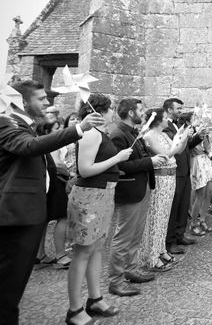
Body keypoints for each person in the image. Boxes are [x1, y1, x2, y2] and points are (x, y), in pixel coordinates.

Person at [0, 80, 103, 325]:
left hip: (31, 212)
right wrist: (78, 130)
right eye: (41, 98)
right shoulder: (6, 123)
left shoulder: (27, 124)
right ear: (22, 101)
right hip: (16, 215)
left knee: (15, 282)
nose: (48, 103)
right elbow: (28, 147)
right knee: (8, 284)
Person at [65, 93, 133, 325]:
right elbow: (85, 170)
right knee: (82, 252)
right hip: (89, 197)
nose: (114, 112)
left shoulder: (100, 133)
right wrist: (118, 159)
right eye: (111, 108)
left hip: (103, 195)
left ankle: (95, 298)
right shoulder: (91, 134)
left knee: (96, 249)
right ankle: (74, 310)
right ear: (100, 111)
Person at [108, 99, 167, 297]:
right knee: (123, 236)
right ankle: (115, 280)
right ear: (131, 113)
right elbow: (119, 166)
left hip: (142, 188)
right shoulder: (118, 134)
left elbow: (137, 156)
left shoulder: (133, 131)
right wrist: (150, 161)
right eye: (141, 110)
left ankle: (130, 270)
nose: (144, 113)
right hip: (130, 190)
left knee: (135, 234)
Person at [141, 108, 188, 272]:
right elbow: (166, 155)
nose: (168, 120)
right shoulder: (149, 136)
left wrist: (182, 138)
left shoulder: (164, 135)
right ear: (158, 120)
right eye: (166, 118)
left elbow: (177, 152)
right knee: (157, 216)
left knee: (165, 216)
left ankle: (161, 250)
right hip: (160, 179)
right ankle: (152, 256)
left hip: (170, 177)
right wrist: (177, 143)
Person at [163, 98, 205, 255]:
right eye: (178, 108)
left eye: (181, 109)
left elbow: (186, 146)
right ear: (169, 110)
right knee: (174, 207)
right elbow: (173, 147)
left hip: (185, 169)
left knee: (183, 205)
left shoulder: (177, 125)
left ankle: (180, 235)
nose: (180, 111)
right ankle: (170, 241)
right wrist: (185, 135)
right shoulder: (164, 126)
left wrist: (199, 136)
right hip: (175, 171)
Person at [35, 119, 72, 270]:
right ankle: (61, 255)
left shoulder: (40, 142)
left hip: (47, 182)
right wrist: (69, 172)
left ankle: (40, 254)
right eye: (57, 128)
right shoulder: (53, 143)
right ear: (47, 130)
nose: (60, 130)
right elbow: (57, 164)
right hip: (57, 182)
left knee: (44, 219)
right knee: (62, 217)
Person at [187, 113, 212, 235]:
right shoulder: (189, 132)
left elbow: (209, 150)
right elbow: (190, 146)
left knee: (209, 192)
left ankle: (202, 219)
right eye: (198, 122)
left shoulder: (204, 134)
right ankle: (193, 224)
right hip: (197, 162)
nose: (200, 124)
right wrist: (198, 134)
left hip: (206, 161)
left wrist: (207, 139)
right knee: (200, 194)